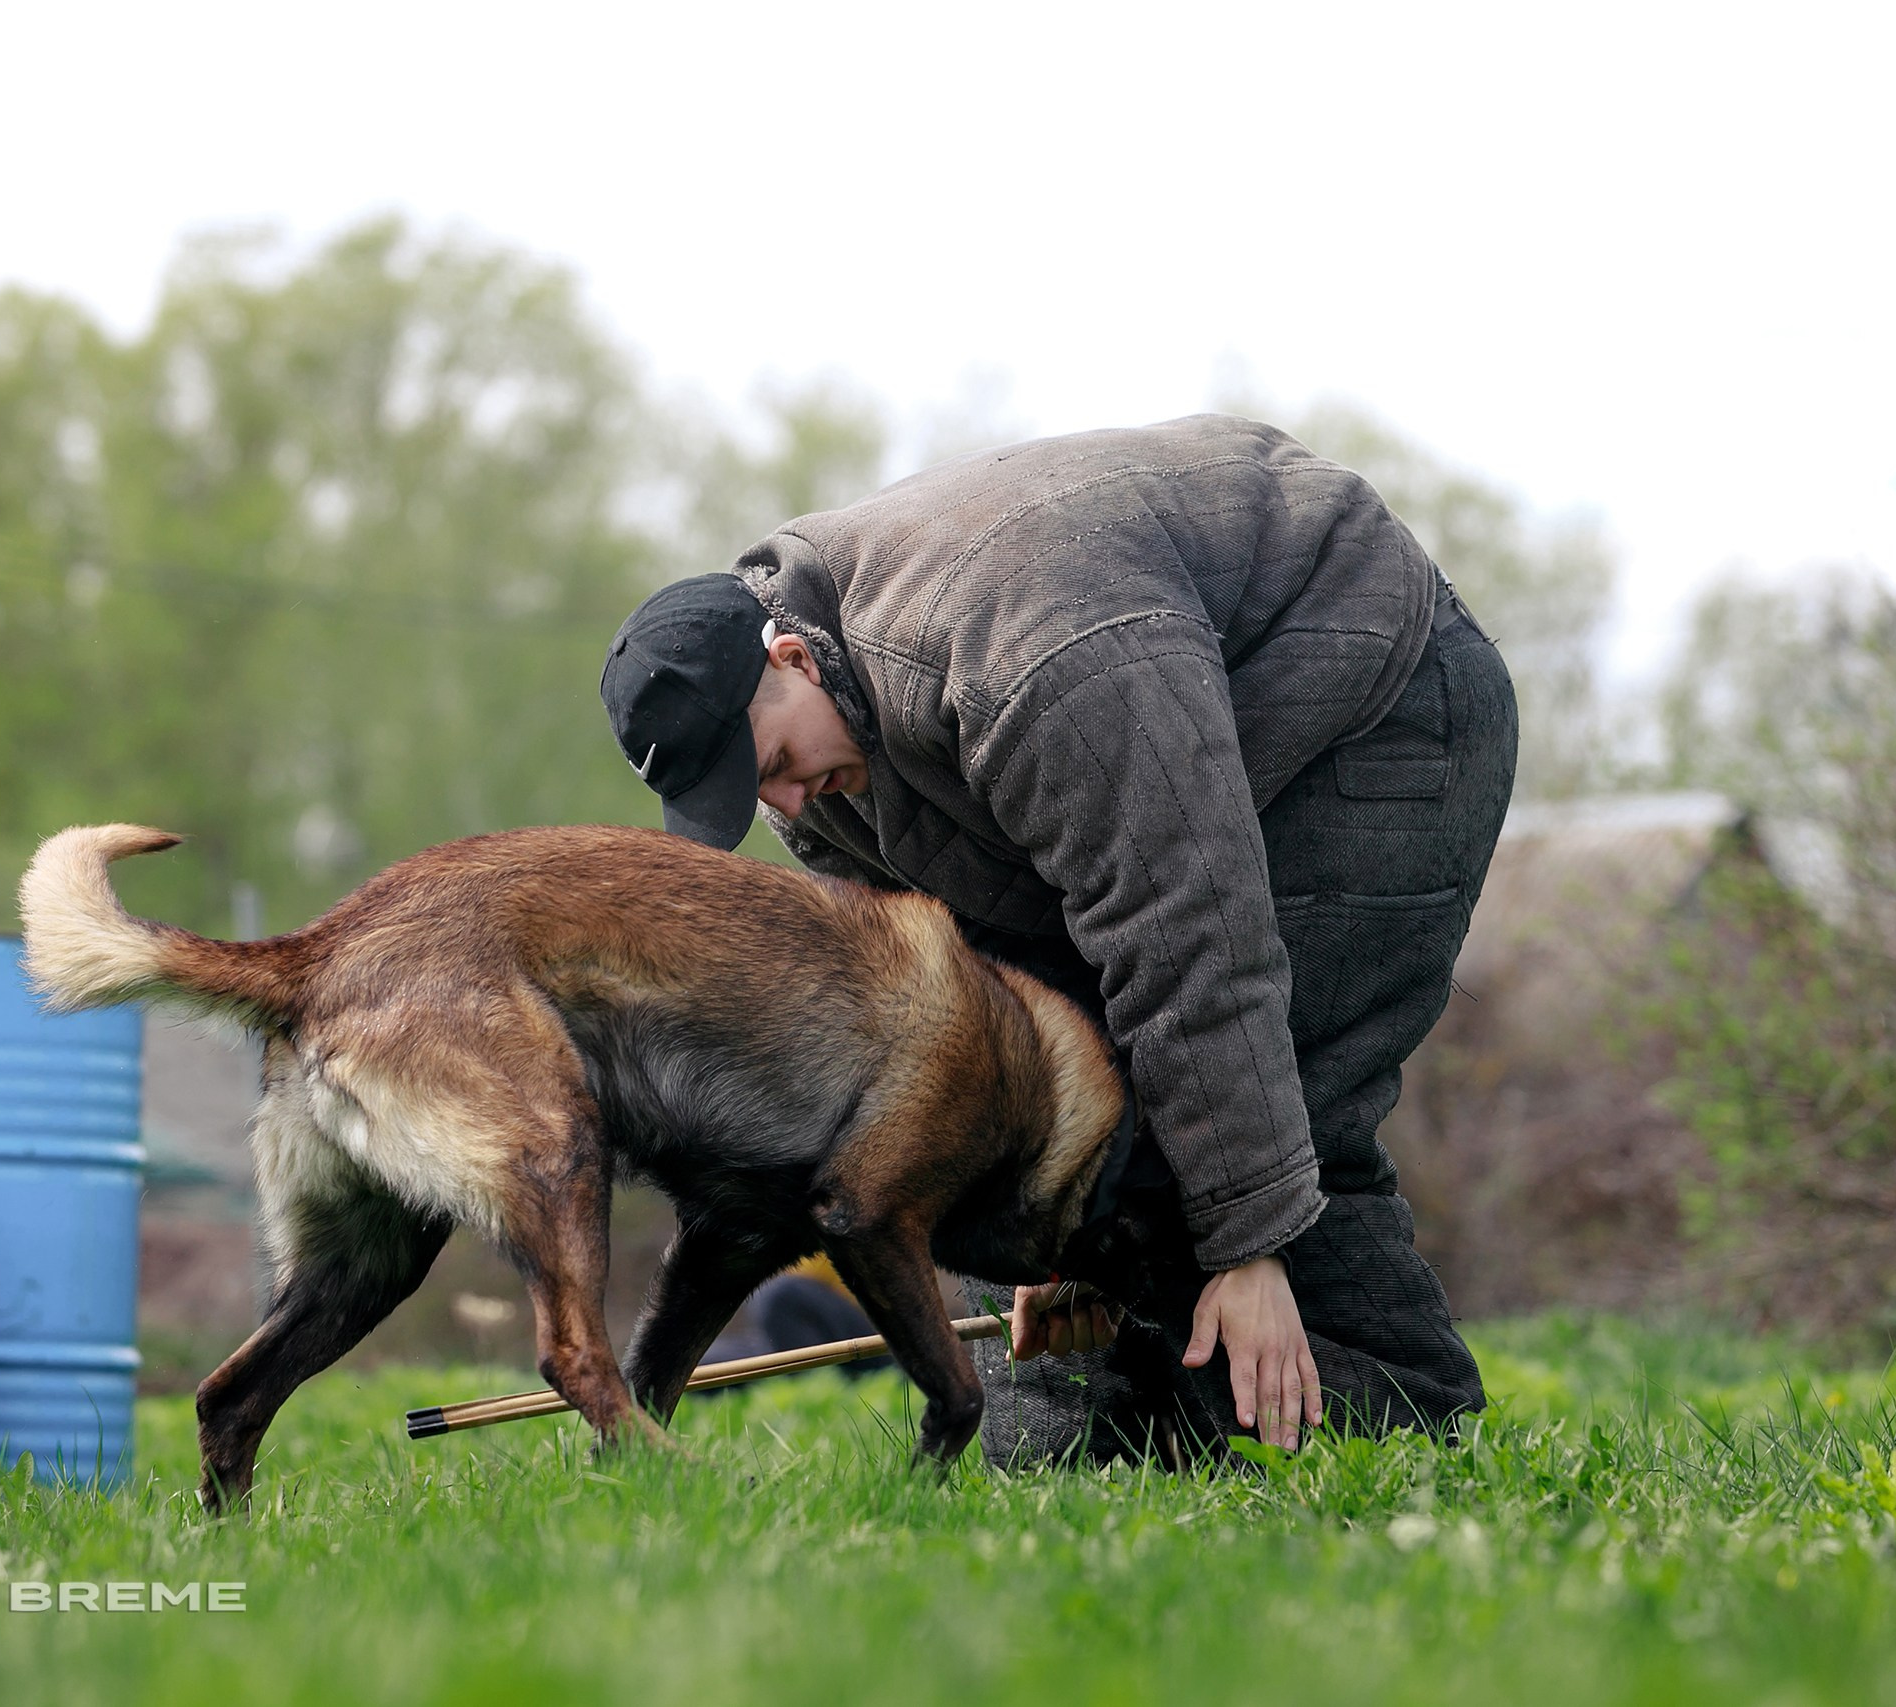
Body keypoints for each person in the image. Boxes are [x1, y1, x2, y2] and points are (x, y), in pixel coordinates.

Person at [599, 414, 1516, 1463]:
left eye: (772, 760)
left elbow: (1187, 934)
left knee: (1261, 1106)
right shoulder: (820, 783)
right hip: (1164, 772)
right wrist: (1048, 1242)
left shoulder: (1022, 656)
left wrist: (1250, 1247)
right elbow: (985, 1021)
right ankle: (1077, 1466)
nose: (784, 799)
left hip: (1370, 713)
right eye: (750, 790)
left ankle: (1380, 1430)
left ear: (796, 658)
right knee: (1044, 1138)